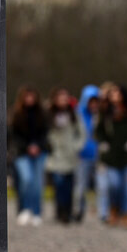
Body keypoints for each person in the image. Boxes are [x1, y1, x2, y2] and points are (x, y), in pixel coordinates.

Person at [95, 84, 127, 227]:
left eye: (117, 93)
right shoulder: (106, 112)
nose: (115, 96)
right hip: (111, 157)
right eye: (112, 93)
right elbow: (99, 131)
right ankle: (114, 209)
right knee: (113, 185)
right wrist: (103, 142)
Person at [9, 85, 48, 227]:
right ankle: (24, 209)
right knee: (26, 179)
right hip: (21, 153)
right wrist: (27, 147)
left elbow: (45, 133)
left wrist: (38, 146)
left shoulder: (42, 114)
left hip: (40, 152)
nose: (30, 99)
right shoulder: (15, 114)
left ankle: (36, 212)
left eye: (32, 96)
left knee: (37, 184)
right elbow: (13, 135)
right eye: (27, 96)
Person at [46, 88, 86, 224]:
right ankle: (60, 210)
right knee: (59, 184)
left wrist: (77, 146)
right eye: (60, 98)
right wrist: (49, 145)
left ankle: (68, 212)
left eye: (65, 98)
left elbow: (82, 133)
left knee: (69, 186)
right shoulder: (49, 115)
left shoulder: (74, 115)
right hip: (56, 155)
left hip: (71, 156)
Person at [73, 85, 100, 222]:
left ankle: (103, 212)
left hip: (99, 156)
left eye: (96, 101)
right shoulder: (77, 114)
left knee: (101, 186)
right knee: (80, 186)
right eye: (91, 101)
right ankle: (78, 211)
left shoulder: (100, 115)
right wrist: (77, 148)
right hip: (82, 156)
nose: (94, 104)